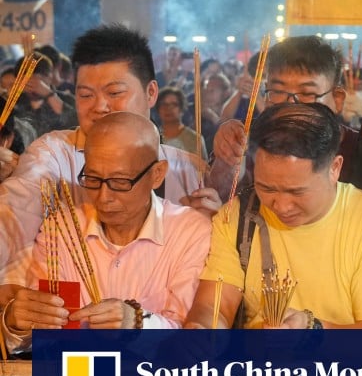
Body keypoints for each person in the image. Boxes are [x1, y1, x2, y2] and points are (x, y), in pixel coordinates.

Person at [0, 24, 211, 283]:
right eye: (86, 95)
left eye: (114, 93)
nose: (100, 106)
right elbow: (13, 213)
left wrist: (216, 227)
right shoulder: (53, 156)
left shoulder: (189, 169)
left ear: (151, 93)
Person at [185, 103, 362, 330]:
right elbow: (215, 308)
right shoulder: (238, 216)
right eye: (267, 188)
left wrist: (313, 331)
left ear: (334, 168)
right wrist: (203, 332)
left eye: (297, 191)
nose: (281, 206)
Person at [1, 113, 212, 350]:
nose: (104, 197)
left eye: (120, 182)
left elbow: (192, 339)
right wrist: (16, 322)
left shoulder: (190, 232)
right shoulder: (62, 227)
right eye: (92, 178)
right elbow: (48, 334)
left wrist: (137, 322)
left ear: (157, 174)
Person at [209, 35, 360, 199]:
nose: (290, 105)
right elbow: (220, 198)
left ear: (337, 99)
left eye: (307, 93)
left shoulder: (361, 149)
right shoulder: (248, 137)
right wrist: (228, 160)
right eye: (278, 92)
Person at [10, 53, 76, 137]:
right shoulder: (14, 105)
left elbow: (75, 122)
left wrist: (49, 95)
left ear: (49, 77)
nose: (33, 88)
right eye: (27, 83)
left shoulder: (66, 99)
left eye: (38, 82)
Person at [156, 87, 206, 160]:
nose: (168, 108)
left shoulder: (195, 139)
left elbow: (203, 169)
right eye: (164, 104)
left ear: (182, 108)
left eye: (174, 104)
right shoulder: (152, 138)